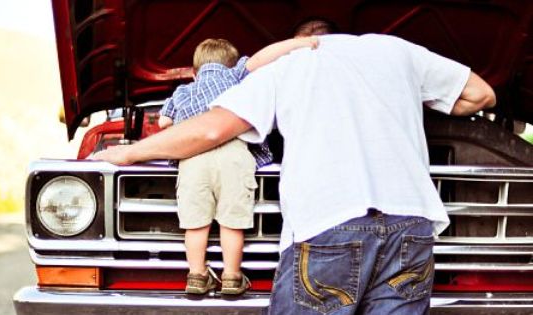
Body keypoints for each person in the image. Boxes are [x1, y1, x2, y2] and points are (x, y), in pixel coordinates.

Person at [90, 33, 495, 313]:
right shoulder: (399, 51)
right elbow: (481, 95)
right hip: (412, 225)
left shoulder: (290, 63)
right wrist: (406, 100)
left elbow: (213, 129)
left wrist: (129, 154)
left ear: (302, 37)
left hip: (330, 223)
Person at [153, 37, 319, 295]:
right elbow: (266, 55)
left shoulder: (182, 91)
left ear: (195, 73)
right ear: (233, 64)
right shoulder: (237, 76)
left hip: (192, 156)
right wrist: (303, 42)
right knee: (232, 223)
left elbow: (163, 122)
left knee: (195, 224)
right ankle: (231, 277)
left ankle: (196, 276)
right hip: (235, 154)